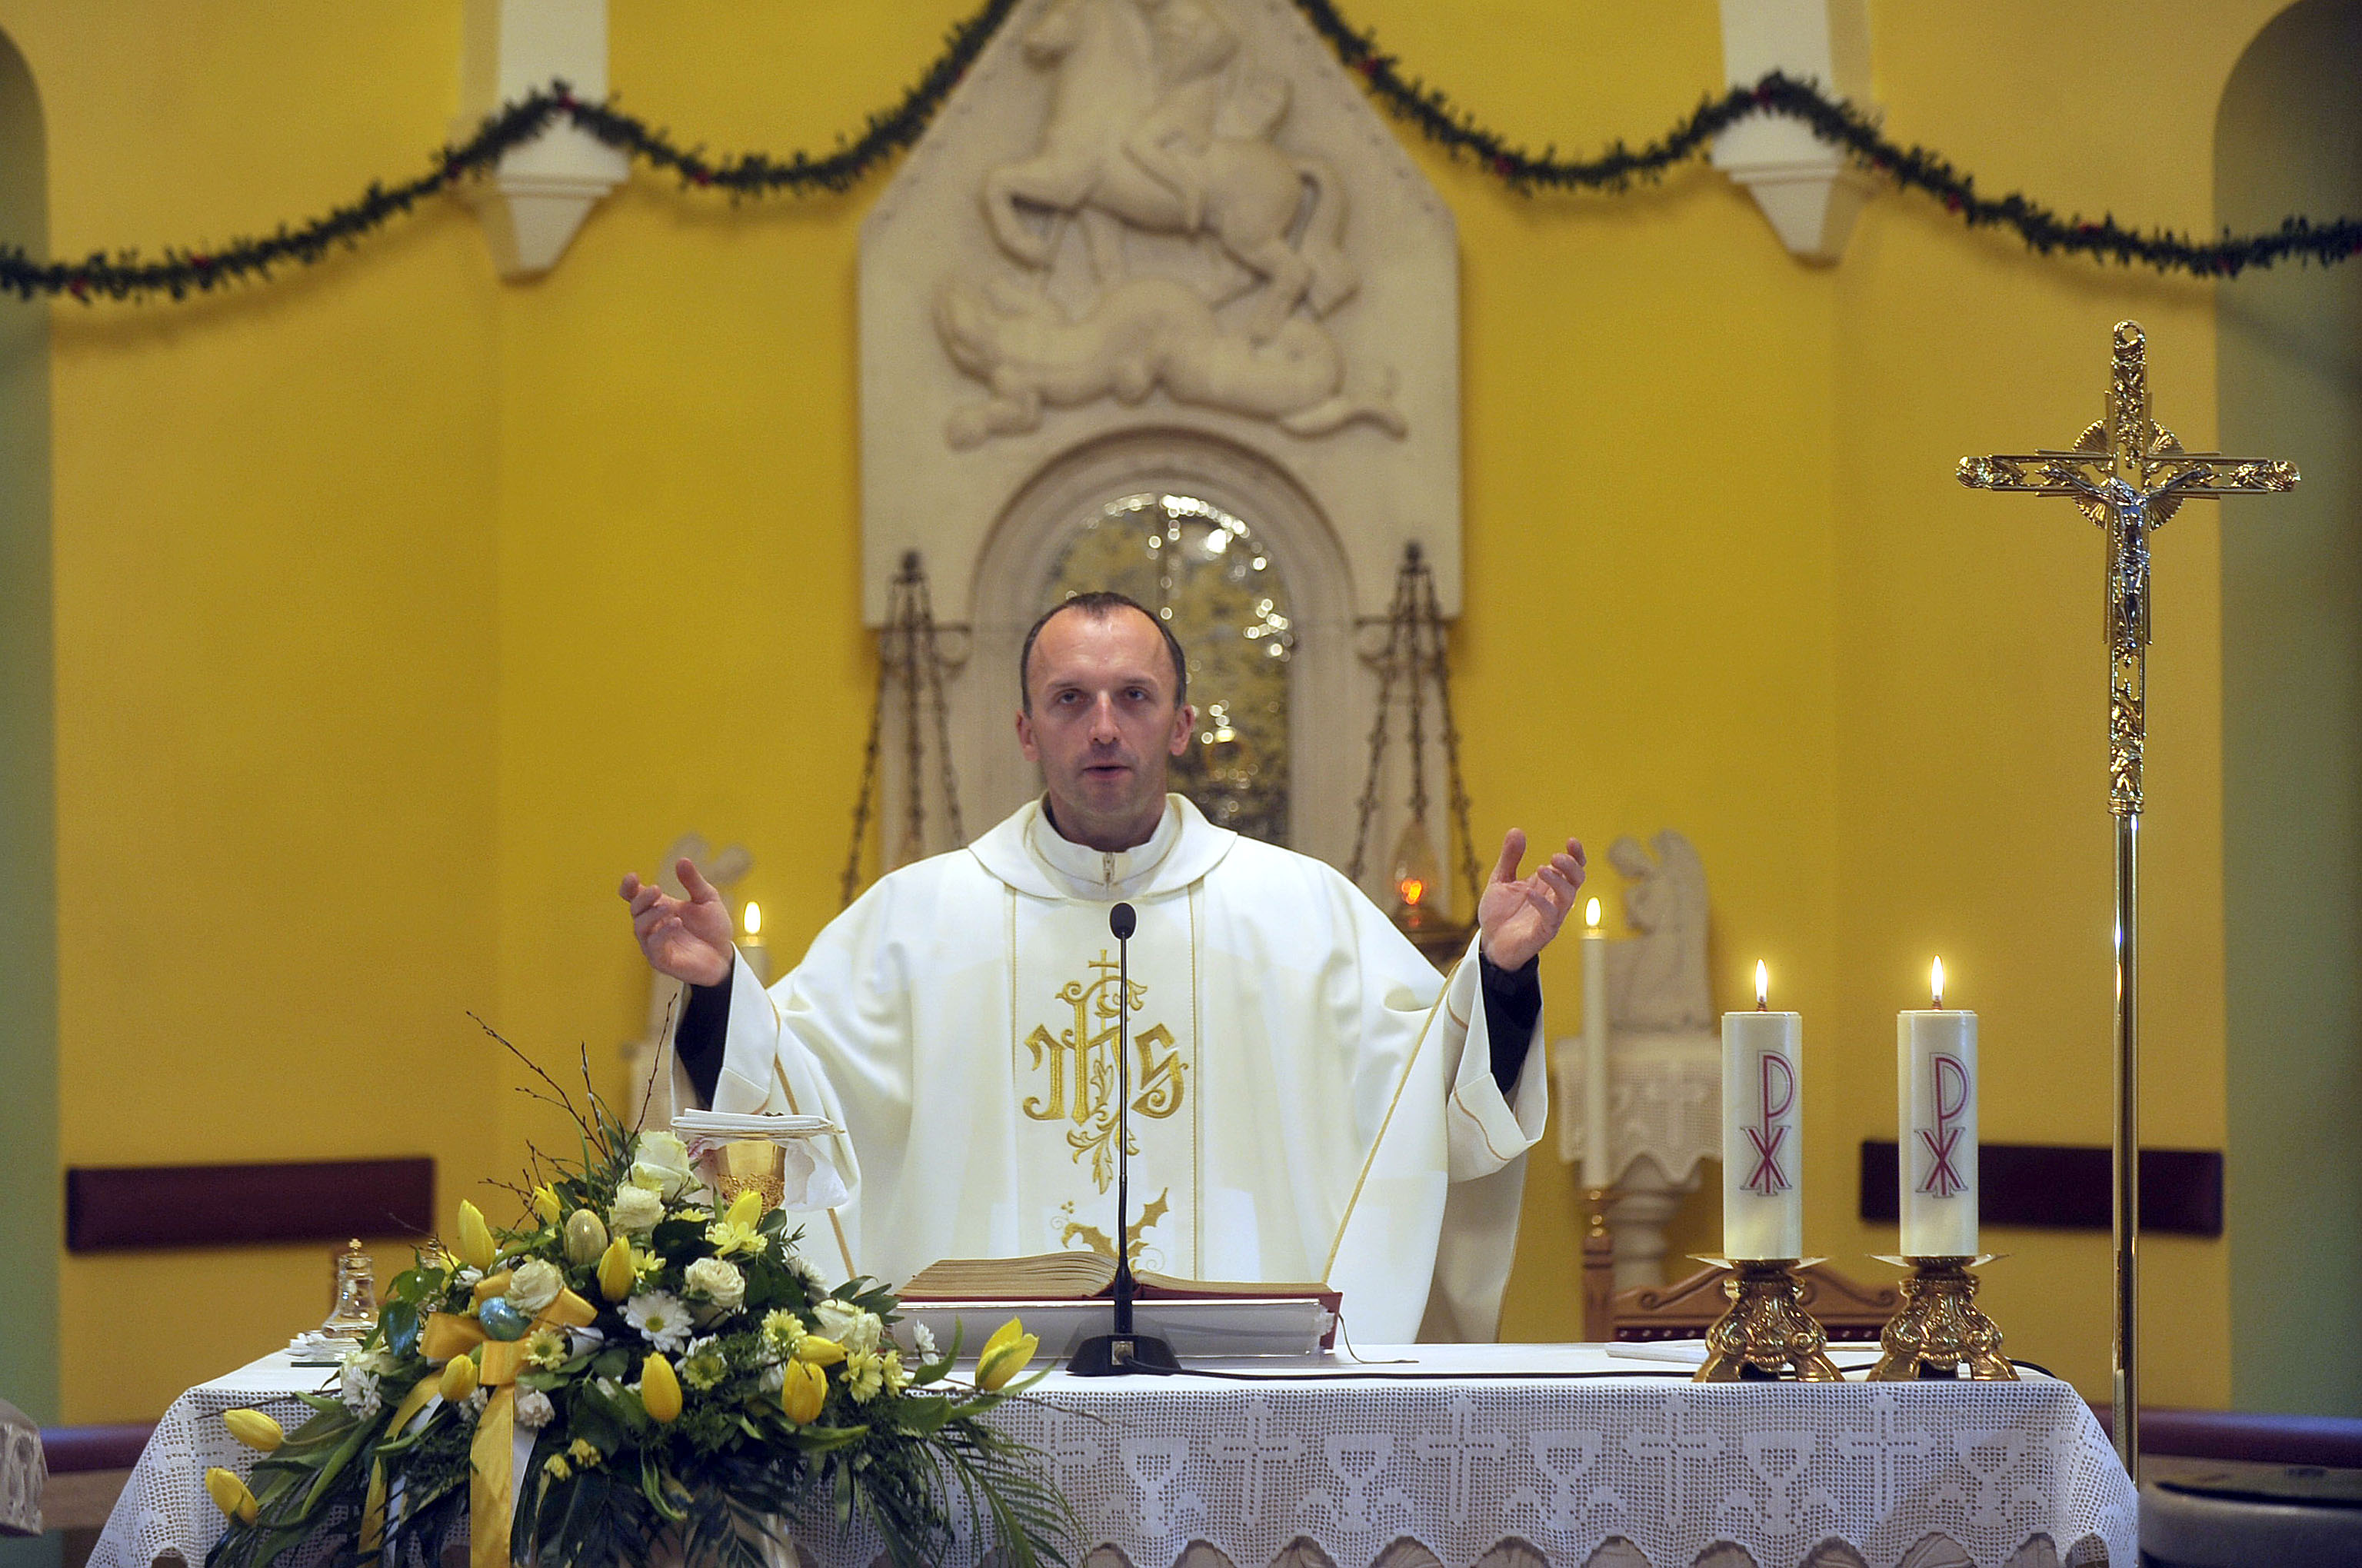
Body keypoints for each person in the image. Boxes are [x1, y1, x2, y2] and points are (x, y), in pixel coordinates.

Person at [621, 592, 1585, 1340]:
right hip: (988, 1379)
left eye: (1133, 696)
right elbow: (793, 1100)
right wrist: (716, 995)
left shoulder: (1303, 911)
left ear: (1179, 723)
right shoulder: (917, 920)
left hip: (1245, 1382)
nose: (1103, 727)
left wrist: (1496, 978)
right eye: (1069, 700)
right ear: (1026, 728)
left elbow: (1428, 1102)